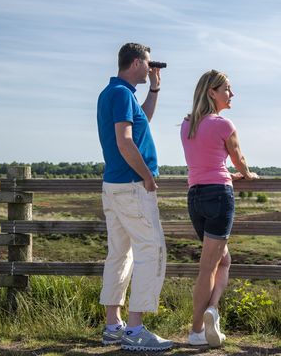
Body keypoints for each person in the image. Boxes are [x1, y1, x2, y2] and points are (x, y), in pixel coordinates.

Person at [96, 42, 172, 351]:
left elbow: (141, 125)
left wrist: (154, 91)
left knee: (120, 253)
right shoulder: (121, 94)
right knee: (151, 250)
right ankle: (136, 328)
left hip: (114, 185)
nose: (151, 67)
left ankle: (114, 325)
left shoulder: (113, 93)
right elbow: (126, 142)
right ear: (136, 63)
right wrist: (147, 177)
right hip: (131, 186)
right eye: (148, 63)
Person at [180, 69, 259, 347]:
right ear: (212, 92)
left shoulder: (187, 124)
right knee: (207, 267)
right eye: (227, 88)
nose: (231, 94)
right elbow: (238, 159)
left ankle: (213, 311)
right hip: (218, 196)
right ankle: (197, 329)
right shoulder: (224, 125)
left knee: (222, 261)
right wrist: (248, 175)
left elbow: (203, 157)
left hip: (195, 197)